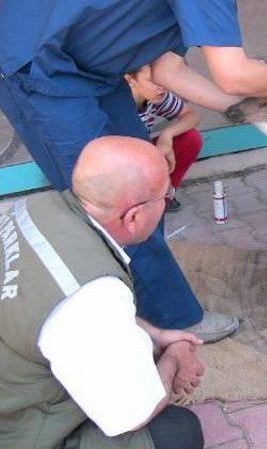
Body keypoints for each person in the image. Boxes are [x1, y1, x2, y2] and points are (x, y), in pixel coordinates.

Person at [0, 0, 267, 340]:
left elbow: (166, 69)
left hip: (89, 69)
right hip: (37, 63)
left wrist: (250, 113)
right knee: (109, 200)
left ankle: (143, 294)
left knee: (146, 177)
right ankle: (167, 319)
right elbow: (233, 74)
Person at [0, 136, 207, 449]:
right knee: (177, 432)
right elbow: (133, 414)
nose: (168, 201)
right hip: (16, 429)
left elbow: (78, 303)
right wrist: (174, 358)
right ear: (133, 217)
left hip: (14, 377)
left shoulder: (35, 207)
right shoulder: (92, 298)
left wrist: (160, 336)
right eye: (166, 195)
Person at [125, 64, 203, 213]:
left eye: (162, 80)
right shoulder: (118, 104)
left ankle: (163, 197)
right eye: (152, 81)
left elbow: (192, 115)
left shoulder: (156, 96)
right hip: (121, 161)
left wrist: (166, 136)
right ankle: (135, 204)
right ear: (130, 79)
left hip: (143, 152)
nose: (161, 87)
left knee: (191, 139)